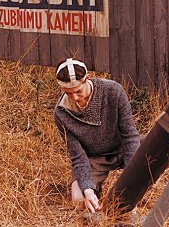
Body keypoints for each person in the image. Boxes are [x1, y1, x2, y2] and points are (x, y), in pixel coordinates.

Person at [53, 58, 140, 213]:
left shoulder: (113, 91)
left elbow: (130, 135)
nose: (74, 98)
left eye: (78, 91)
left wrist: (131, 176)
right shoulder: (61, 113)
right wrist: (87, 188)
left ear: (87, 79)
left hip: (122, 147)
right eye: (68, 93)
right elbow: (78, 157)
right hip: (94, 159)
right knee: (79, 199)